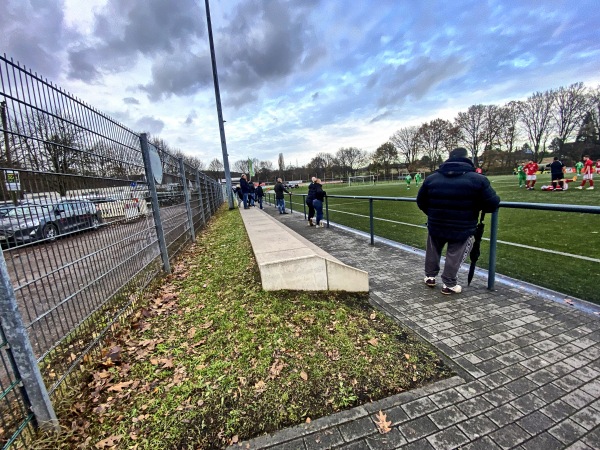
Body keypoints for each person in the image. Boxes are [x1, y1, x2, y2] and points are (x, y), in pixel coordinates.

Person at [416, 147, 500, 295]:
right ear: (467, 159)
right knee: (455, 253)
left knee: (433, 250)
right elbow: (492, 203)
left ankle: (430, 276)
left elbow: (421, 201)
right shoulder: (478, 179)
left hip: (436, 223)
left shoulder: (432, 179)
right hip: (463, 226)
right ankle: (448, 284)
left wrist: (433, 214)